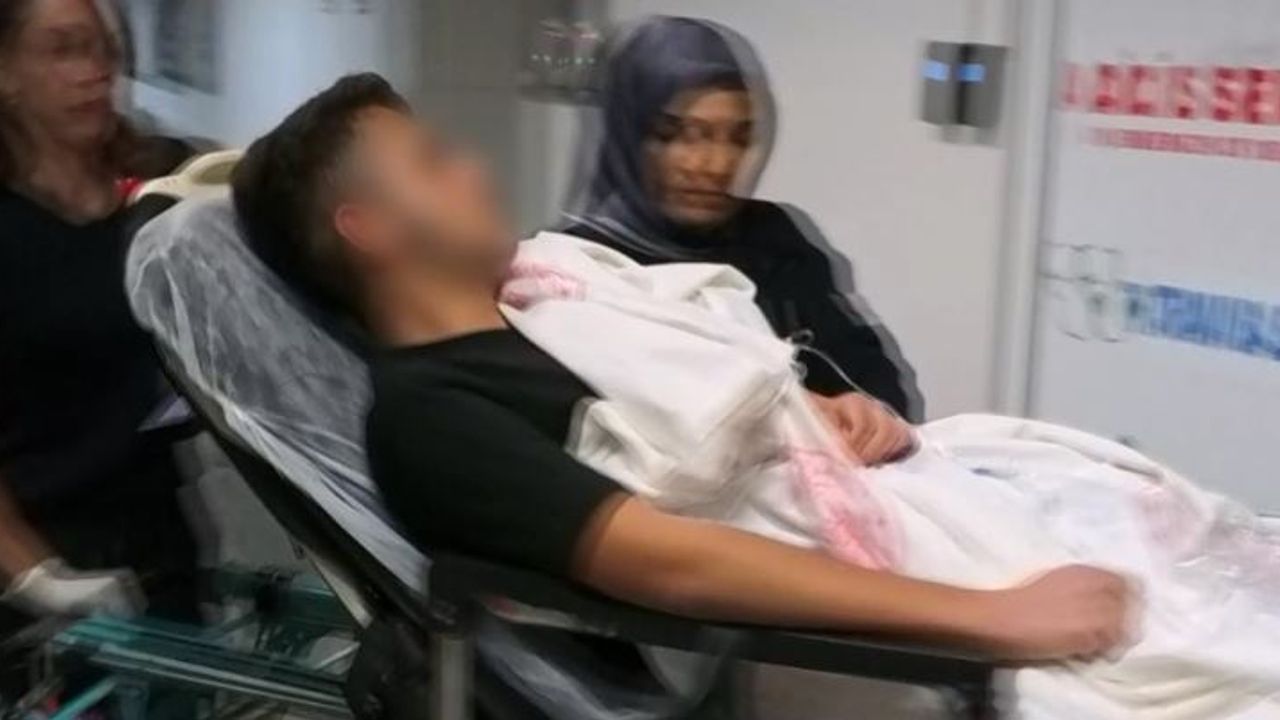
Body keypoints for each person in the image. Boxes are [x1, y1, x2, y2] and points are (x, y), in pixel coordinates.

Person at [233, 74, 1132, 666]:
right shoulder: (431, 413)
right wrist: (990, 619)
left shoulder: (554, 304)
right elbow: (672, 562)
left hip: (907, 505)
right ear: (369, 228)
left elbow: (730, 395)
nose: (475, 168)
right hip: (843, 641)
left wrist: (829, 418)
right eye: (434, 161)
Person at [563, 17, 924, 447]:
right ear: (627, 136)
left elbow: (876, 379)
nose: (716, 164)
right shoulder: (576, 269)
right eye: (678, 134)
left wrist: (869, 414)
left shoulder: (774, 236)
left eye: (738, 138)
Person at [0, 0, 201, 645]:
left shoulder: (163, 185)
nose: (95, 69)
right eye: (64, 49)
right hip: (38, 561)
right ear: (6, 74)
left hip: (160, 539)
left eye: (104, 49)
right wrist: (38, 577)